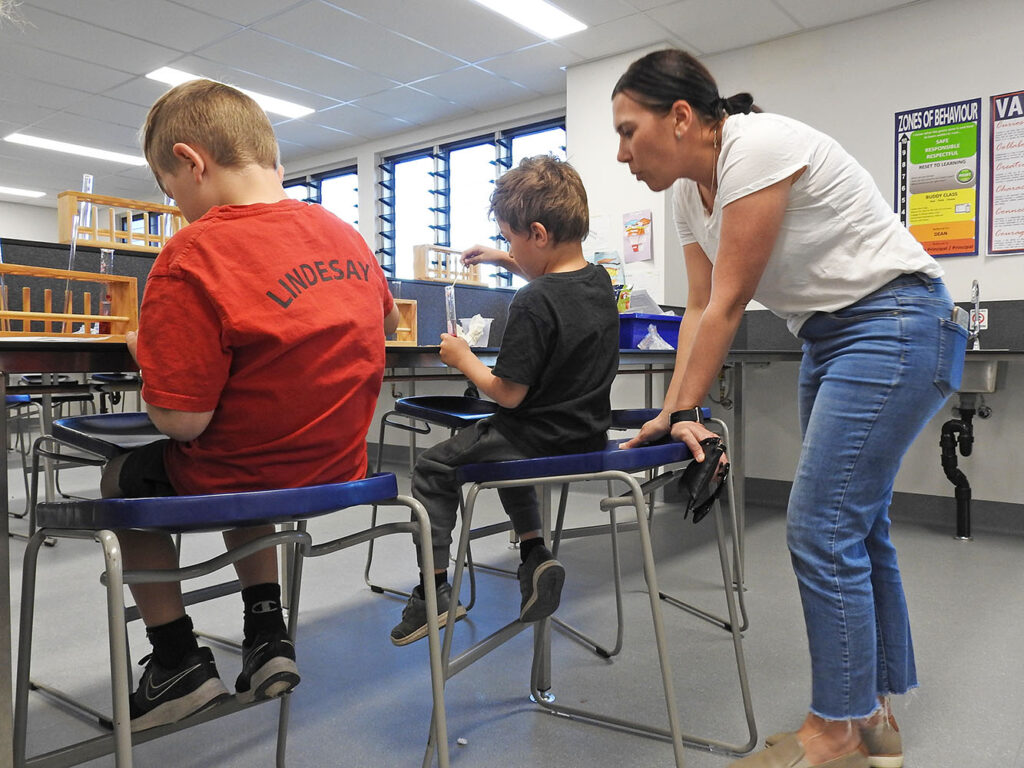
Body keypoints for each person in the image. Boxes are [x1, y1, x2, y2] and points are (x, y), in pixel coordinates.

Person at [612, 50, 967, 768]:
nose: (620, 152)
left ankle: (835, 731)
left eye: (627, 130)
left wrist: (687, 407)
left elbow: (733, 303)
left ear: (681, 118)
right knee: (858, 527)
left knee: (821, 524)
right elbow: (699, 308)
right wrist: (677, 409)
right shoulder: (688, 193)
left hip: (896, 322)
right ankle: (875, 717)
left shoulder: (757, 145)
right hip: (830, 337)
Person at [101, 78, 399, 732]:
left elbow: (183, 421)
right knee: (250, 451)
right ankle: (268, 635)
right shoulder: (348, 238)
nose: (175, 204)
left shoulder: (193, 253)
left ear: (193, 161)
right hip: (340, 473)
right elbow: (376, 331)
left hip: (245, 473)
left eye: (170, 187)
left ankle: (175, 660)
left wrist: (151, 354)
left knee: (125, 476)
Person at [389, 156, 620, 646]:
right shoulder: (599, 282)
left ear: (537, 233)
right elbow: (555, 280)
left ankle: (433, 594)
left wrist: (463, 357)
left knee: (436, 467)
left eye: (512, 239)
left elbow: (508, 393)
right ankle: (535, 556)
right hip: (583, 438)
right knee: (496, 450)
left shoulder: (532, 303)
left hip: (531, 439)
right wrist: (501, 257)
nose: (511, 247)